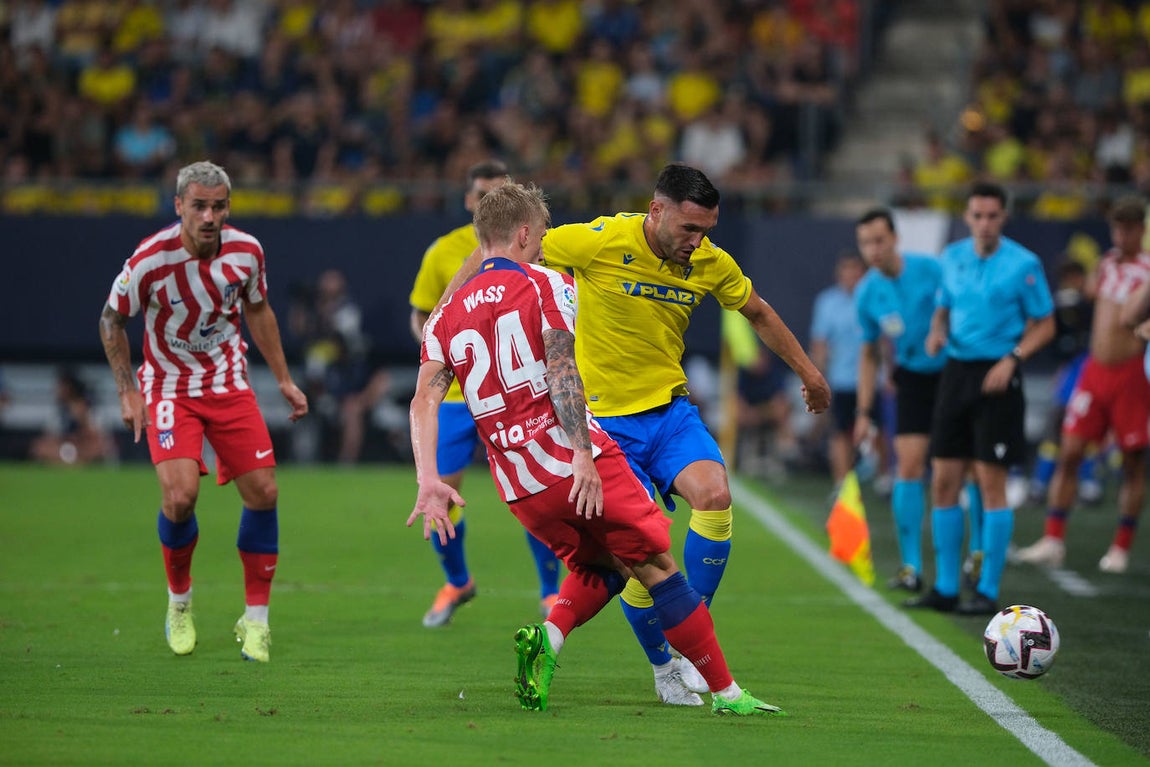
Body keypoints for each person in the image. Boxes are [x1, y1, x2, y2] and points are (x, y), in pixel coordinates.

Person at [433, 163, 830, 705]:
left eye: (706, 230)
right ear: (657, 211)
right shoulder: (597, 241)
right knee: (635, 561)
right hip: (600, 424)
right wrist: (446, 314)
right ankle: (664, 667)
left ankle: (693, 638)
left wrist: (809, 374)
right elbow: (497, 255)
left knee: (713, 494)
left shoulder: (709, 262)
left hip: (668, 411)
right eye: (689, 229)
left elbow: (757, 312)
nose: (698, 242)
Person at [99, 160, 308, 662]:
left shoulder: (247, 252)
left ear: (228, 207)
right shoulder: (150, 260)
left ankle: (255, 621)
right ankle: (179, 602)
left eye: (218, 206)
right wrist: (128, 391)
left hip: (228, 384)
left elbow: (257, 309)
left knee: (264, 492)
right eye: (199, 206)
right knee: (179, 498)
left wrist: (282, 378)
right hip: (169, 387)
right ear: (179, 207)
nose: (209, 216)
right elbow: (111, 320)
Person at [408, 159, 561, 627]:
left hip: (514, 392)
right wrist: (438, 352)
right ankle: (457, 581)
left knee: (536, 486)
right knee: (445, 492)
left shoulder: (536, 245)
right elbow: (424, 316)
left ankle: (551, 592)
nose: (488, 199)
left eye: (500, 191)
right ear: (470, 200)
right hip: (459, 396)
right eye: (481, 192)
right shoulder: (444, 251)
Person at [907, 181, 1054, 616]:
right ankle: (948, 587)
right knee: (943, 480)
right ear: (968, 217)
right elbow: (942, 307)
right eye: (978, 215)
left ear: (1003, 217)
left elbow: (1045, 324)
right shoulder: (951, 258)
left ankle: (987, 589)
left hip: (999, 376)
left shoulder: (1024, 264)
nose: (985, 223)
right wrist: (936, 330)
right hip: (956, 374)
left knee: (991, 483)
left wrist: (1013, 358)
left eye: (992, 216)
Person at [1015, 196, 1150, 574]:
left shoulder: (1148, 270)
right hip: (1094, 371)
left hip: (1131, 373)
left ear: (1141, 229)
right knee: (1069, 450)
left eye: (1128, 228)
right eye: (1116, 228)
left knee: (1133, 464)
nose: (1121, 235)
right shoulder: (1106, 264)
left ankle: (1121, 547)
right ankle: (1053, 539)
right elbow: (1094, 302)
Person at [852, 208, 947, 593]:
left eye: (879, 240)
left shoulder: (930, 269)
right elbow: (869, 352)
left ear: (895, 239)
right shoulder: (867, 293)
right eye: (865, 243)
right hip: (910, 380)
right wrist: (862, 410)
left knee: (955, 473)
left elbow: (956, 309)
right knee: (908, 467)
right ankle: (912, 566)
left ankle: (972, 559)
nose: (873, 249)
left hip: (952, 375)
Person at [810, 251, 866, 488]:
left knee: (877, 430)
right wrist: (818, 375)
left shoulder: (872, 296)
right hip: (842, 378)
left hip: (870, 381)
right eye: (846, 269)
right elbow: (820, 341)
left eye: (855, 269)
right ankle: (842, 483)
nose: (851, 275)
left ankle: (885, 476)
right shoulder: (828, 302)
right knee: (841, 431)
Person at [29, 367, 118, 466]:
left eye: (61, 386)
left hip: (86, 448)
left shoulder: (92, 409)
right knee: (40, 447)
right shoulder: (60, 411)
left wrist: (82, 419)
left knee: (98, 448)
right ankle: (70, 463)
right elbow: (50, 437)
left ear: (69, 387)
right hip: (67, 447)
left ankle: (72, 463)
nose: (57, 389)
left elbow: (100, 440)